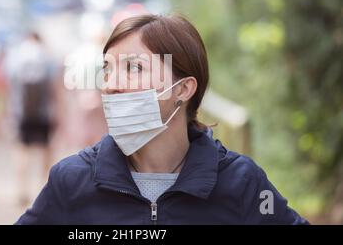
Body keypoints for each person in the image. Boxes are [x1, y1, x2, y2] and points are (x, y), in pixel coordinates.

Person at [16, 14, 309, 224]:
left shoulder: (240, 182)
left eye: (133, 68)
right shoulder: (72, 180)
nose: (112, 83)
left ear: (183, 89)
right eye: (107, 69)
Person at [6, 32, 58, 206]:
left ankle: (22, 189)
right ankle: (44, 190)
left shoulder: (15, 57)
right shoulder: (47, 58)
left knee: (22, 149)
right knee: (46, 150)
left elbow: (6, 86)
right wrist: (58, 111)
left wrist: (6, 112)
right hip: (44, 113)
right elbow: (55, 87)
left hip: (21, 113)